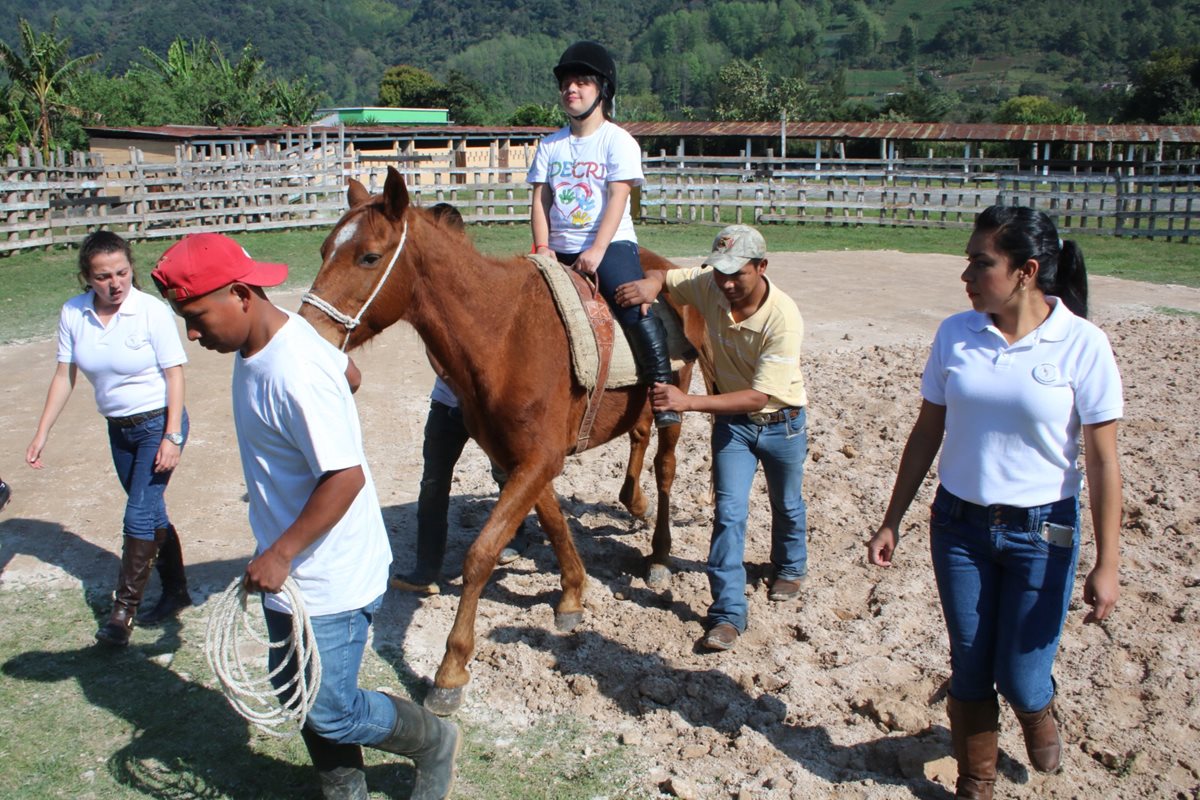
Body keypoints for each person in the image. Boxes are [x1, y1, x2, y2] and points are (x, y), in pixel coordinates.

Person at [151, 232, 459, 800]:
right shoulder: (283, 339)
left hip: (328, 574)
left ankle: (434, 740)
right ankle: (345, 791)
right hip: (293, 571)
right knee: (302, 692)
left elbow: (345, 476)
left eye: (195, 317)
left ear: (241, 294)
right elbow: (352, 375)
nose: (192, 335)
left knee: (332, 711)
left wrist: (281, 552)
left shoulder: (292, 369)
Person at [866, 206, 1123, 799]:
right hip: (958, 526)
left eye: (981, 264)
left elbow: (1105, 462)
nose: (967, 276)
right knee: (971, 667)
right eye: (969, 262)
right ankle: (975, 781)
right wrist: (892, 519)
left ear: (1027, 271)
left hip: (1045, 531)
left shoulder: (1083, 345)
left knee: (1022, 675)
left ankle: (1037, 710)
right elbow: (927, 430)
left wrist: (1107, 563)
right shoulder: (956, 333)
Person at [615, 224, 809, 652]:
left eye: (736, 273)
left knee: (788, 503)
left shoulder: (783, 317)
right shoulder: (710, 286)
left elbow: (760, 395)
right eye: (719, 271)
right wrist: (649, 286)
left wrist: (688, 403)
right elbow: (666, 277)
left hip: (781, 422)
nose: (726, 282)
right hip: (733, 427)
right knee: (729, 515)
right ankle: (727, 614)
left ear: (761, 267)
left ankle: (791, 567)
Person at [27, 230, 191, 646]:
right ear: (87, 277)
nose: (115, 283)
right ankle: (176, 591)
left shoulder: (150, 311)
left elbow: (175, 375)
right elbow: (64, 375)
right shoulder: (73, 313)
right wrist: (42, 431)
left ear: (131, 269)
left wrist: (172, 436)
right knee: (150, 513)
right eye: (103, 276)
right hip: (119, 429)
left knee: (137, 514)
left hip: (158, 422)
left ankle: (122, 615)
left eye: (122, 272)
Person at [528, 39, 680, 429]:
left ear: (602, 90)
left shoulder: (618, 141)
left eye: (581, 83)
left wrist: (597, 249)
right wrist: (543, 248)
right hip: (556, 248)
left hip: (609, 244)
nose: (571, 90)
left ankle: (661, 390)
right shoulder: (549, 145)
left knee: (633, 306)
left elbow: (618, 199)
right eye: (566, 84)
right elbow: (540, 201)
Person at [391, 203, 534, 594]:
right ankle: (426, 567)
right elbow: (436, 353)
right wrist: (458, 384)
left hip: (488, 404)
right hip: (452, 403)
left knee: (506, 472)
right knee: (434, 481)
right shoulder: (428, 293)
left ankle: (517, 537)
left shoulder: (480, 287)